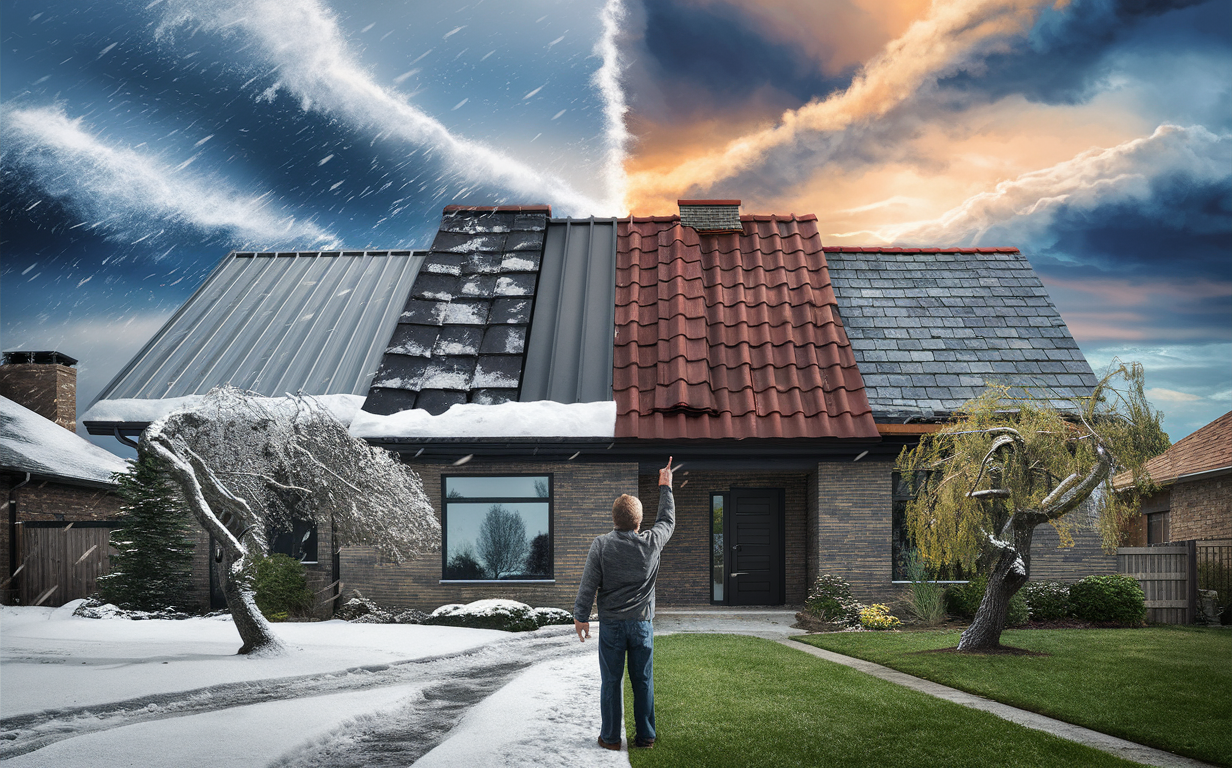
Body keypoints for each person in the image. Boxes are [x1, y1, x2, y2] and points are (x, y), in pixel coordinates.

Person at [573, 457, 676, 751]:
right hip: (641, 625)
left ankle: (610, 739)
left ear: (614, 519)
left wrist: (580, 617)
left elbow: (588, 584)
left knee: (611, 682)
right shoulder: (651, 542)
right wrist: (665, 485)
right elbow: (667, 521)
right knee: (642, 681)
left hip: (612, 627)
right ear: (639, 522)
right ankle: (645, 737)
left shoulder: (601, 545)